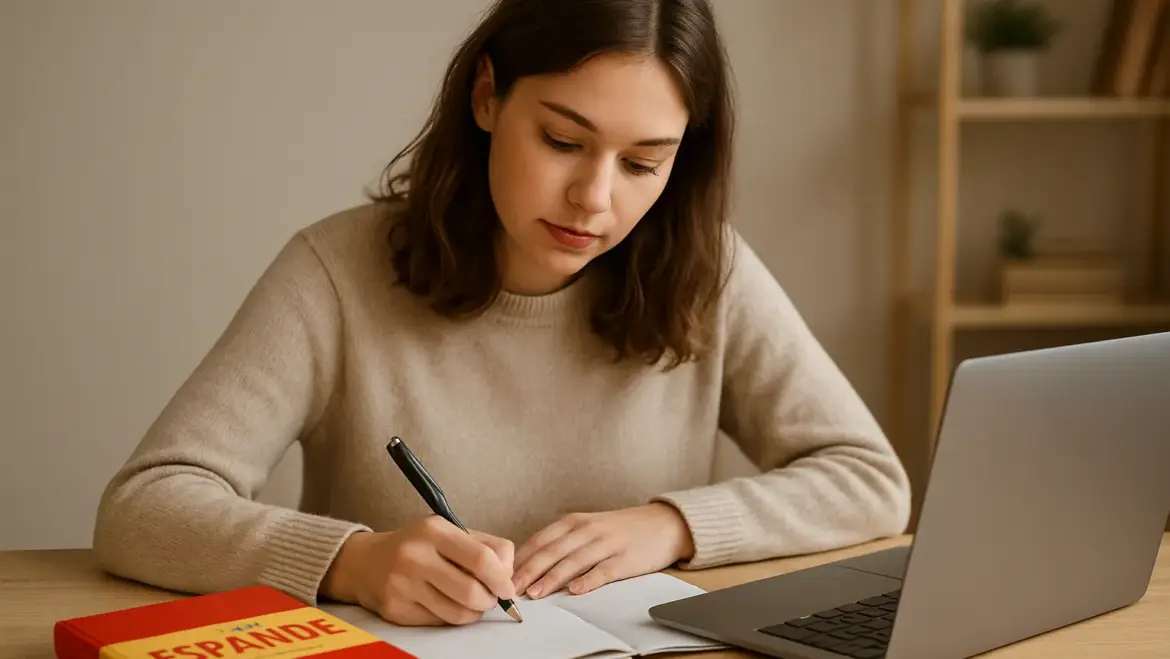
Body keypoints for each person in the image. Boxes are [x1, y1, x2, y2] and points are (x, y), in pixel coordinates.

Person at [92, 0, 911, 629]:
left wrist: (672, 526)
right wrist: (354, 560)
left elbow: (870, 481)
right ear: (488, 96)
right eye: (562, 140)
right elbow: (145, 506)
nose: (595, 198)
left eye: (641, 162)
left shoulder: (708, 268)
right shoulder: (335, 273)